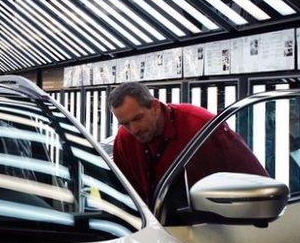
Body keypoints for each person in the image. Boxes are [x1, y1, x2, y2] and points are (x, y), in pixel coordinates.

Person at [108, 82, 266, 205]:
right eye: (125, 124)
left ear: (155, 106)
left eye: (138, 118)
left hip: (208, 228)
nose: (133, 130)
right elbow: (124, 194)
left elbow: (255, 181)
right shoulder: (124, 139)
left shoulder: (202, 128)